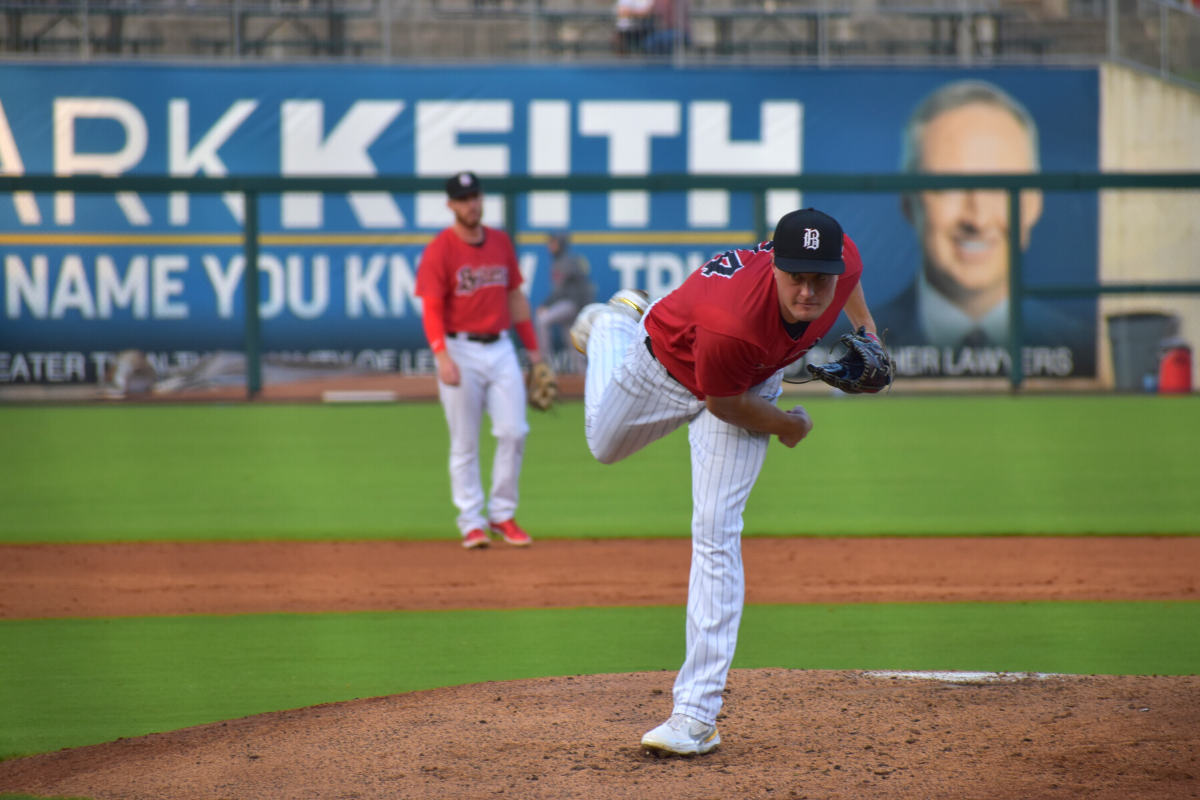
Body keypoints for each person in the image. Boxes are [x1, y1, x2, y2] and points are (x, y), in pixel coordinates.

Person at [569, 208, 883, 756]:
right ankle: (615, 324)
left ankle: (695, 716)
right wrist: (789, 425)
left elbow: (849, 278)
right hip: (669, 364)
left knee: (716, 532)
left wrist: (867, 330)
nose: (809, 291)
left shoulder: (841, 263)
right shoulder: (734, 318)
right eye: (796, 276)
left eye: (821, 279)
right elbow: (723, 403)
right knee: (602, 443)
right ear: (775, 269)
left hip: (749, 378)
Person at [878, 79, 1090, 359]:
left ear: (1034, 203)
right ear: (908, 202)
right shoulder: (852, 349)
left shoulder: (1081, 347)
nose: (977, 220)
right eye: (950, 186)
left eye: (998, 186)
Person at [415, 171, 544, 550]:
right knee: (465, 441)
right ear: (451, 204)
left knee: (513, 431)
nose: (472, 203)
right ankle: (471, 520)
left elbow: (516, 298)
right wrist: (441, 355)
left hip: (501, 345)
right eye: (463, 198)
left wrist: (534, 353)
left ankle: (502, 514)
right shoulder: (441, 249)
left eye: (475, 196)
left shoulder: (501, 242)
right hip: (459, 348)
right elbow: (432, 307)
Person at [534, 232, 595, 373]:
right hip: (571, 305)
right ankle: (584, 377)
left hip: (572, 304)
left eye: (553, 243)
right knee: (573, 343)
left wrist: (545, 305)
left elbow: (560, 291)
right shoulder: (561, 261)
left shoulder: (566, 261)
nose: (550, 246)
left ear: (560, 244)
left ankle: (546, 365)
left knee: (542, 320)